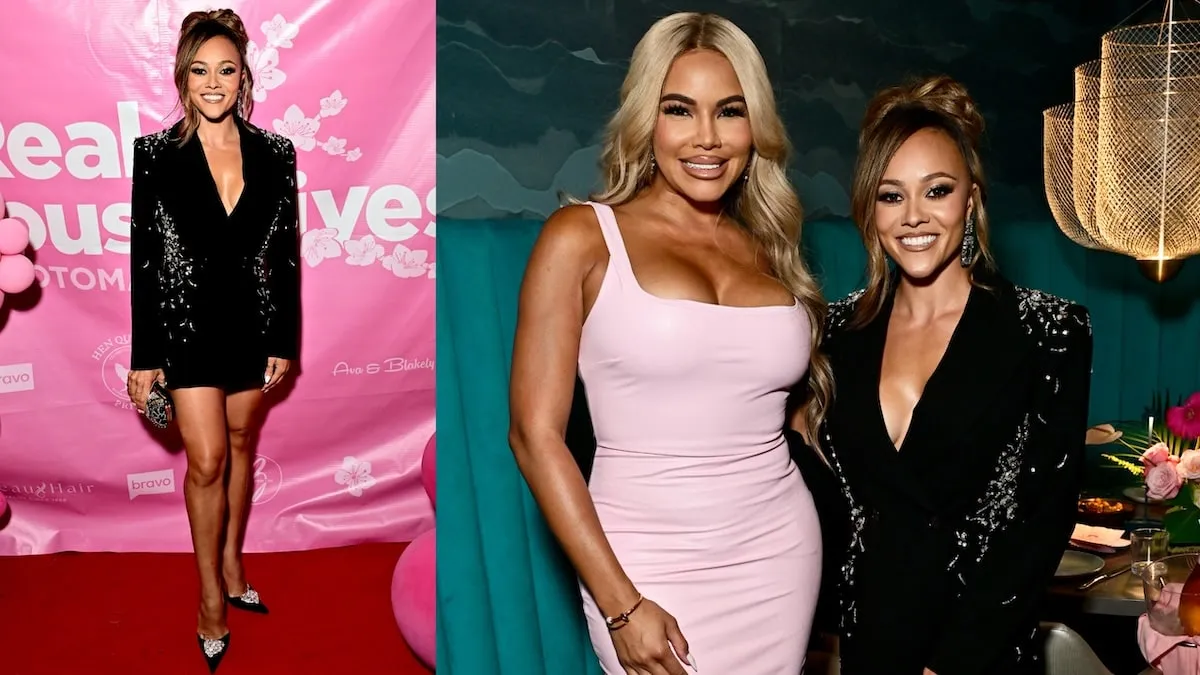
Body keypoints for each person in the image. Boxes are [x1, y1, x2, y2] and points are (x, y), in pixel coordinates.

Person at [508, 12, 832, 675]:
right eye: (679, 110)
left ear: (755, 126)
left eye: (730, 112)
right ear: (645, 119)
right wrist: (621, 604)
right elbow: (533, 436)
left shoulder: (770, 245)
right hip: (642, 559)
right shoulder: (581, 237)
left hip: (778, 551)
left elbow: (788, 411)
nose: (707, 138)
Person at [796, 75, 1093, 675]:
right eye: (890, 195)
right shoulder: (832, 332)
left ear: (972, 200)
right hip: (870, 637)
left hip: (979, 648)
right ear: (868, 209)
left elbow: (1040, 523)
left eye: (936, 190)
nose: (913, 217)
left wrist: (955, 663)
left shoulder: (1047, 331)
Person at [124, 9, 300, 672]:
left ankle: (230, 559)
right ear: (182, 77)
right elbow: (143, 258)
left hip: (253, 327)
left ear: (243, 75)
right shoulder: (153, 155)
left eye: (226, 69)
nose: (214, 82)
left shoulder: (277, 152)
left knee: (242, 445)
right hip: (187, 328)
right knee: (206, 461)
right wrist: (146, 355)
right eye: (200, 70)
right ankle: (208, 600)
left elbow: (284, 252)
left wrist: (284, 334)